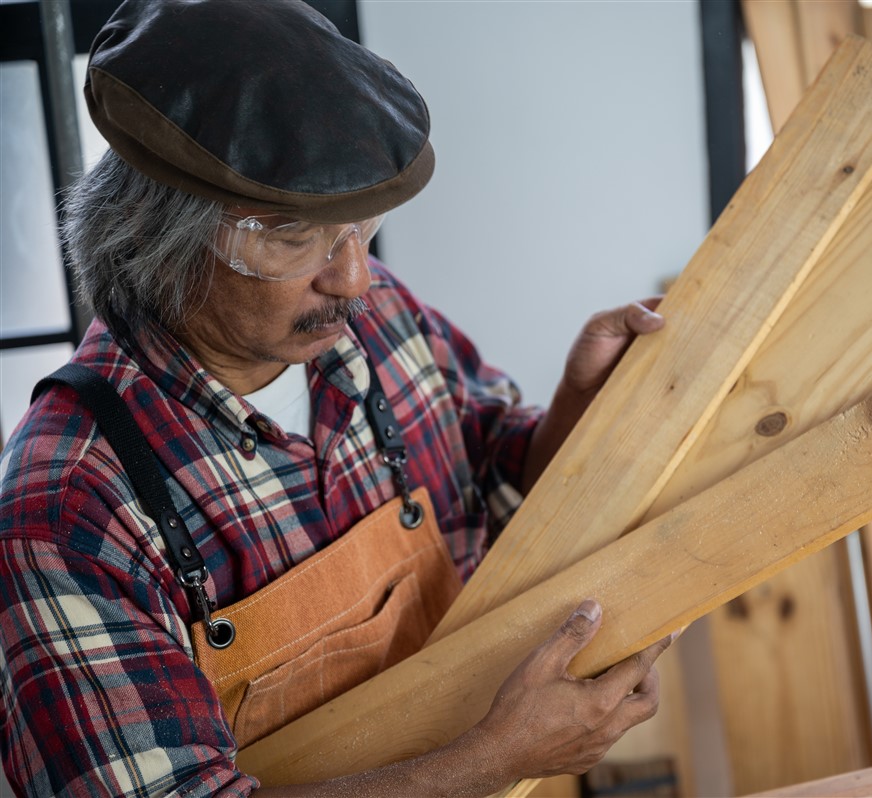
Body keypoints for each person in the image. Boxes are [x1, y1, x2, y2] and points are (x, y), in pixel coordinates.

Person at [0, 1, 672, 795]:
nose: (353, 277)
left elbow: (489, 461)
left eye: (361, 227)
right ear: (160, 237)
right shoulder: (70, 512)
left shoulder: (372, 314)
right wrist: (497, 758)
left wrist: (575, 410)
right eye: (295, 237)